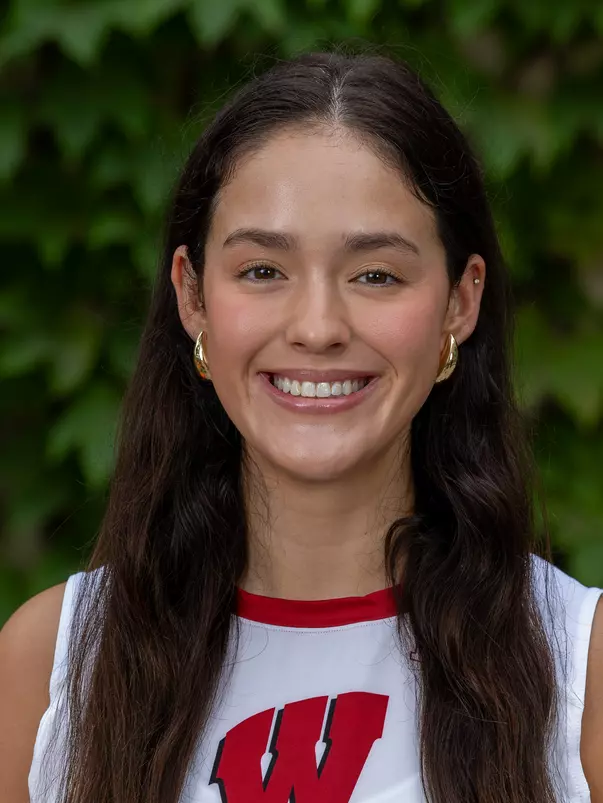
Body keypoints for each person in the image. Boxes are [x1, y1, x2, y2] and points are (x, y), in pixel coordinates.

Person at [0, 51, 601, 803]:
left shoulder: (580, 671)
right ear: (192, 297)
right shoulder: (54, 665)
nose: (317, 327)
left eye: (376, 274)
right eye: (262, 271)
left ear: (460, 301)